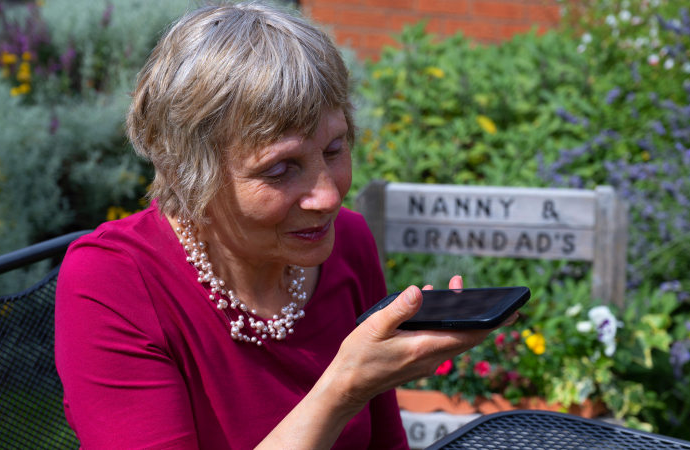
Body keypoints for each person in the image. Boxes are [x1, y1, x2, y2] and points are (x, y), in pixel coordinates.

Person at [55, 2, 514, 449]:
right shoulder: (113, 282)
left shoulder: (347, 242)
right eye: (279, 170)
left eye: (334, 150)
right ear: (186, 171)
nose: (329, 197)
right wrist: (344, 389)